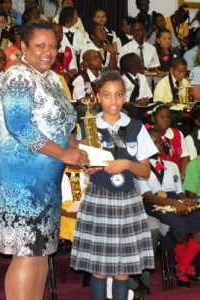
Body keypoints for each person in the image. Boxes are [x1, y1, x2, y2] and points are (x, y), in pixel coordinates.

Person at [0, 20, 89, 300]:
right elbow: (20, 126)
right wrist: (65, 154)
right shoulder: (17, 76)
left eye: (53, 45)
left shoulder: (54, 79)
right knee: (26, 252)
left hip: (47, 178)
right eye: (40, 45)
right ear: (23, 47)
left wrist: (81, 150)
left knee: (42, 250)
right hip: (19, 178)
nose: (48, 51)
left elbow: (64, 127)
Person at [70, 72, 158, 300]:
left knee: (122, 270)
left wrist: (127, 164)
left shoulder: (136, 127)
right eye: (107, 95)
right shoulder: (88, 125)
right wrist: (88, 168)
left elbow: (145, 170)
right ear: (98, 97)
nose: (113, 101)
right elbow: (84, 164)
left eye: (119, 95)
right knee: (99, 269)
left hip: (128, 200)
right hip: (98, 199)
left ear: (125, 96)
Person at [135, 127, 200, 289]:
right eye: (154, 142)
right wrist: (175, 204)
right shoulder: (140, 167)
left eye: (160, 143)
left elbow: (178, 192)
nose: (158, 146)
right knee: (179, 225)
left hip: (173, 201)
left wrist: (184, 200)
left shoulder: (171, 166)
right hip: (154, 204)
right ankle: (185, 269)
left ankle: (182, 267)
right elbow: (148, 196)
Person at [150, 105, 190, 179]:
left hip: (177, 176)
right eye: (162, 117)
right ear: (153, 119)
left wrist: (182, 177)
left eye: (168, 117)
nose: (166, 120)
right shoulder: (148, 135)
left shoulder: (177, 134)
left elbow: (185, 157)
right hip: (156, 177)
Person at [120, 53, 152, 120]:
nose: (142, 64)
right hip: (128, 107)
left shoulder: (142, 77)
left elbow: (148, 96)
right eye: (139, 62)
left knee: (159, 107)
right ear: (132, 65)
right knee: (135, 109)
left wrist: (145, 100)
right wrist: (136, 103)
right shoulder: (121, 80)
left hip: (142, 106)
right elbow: (121, 102)